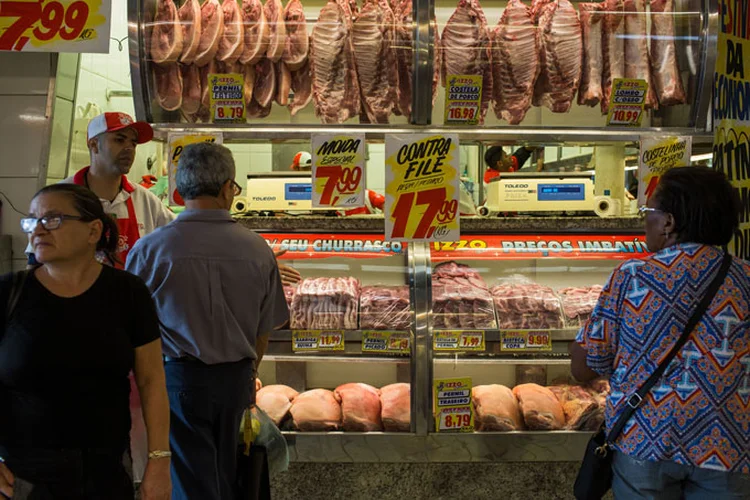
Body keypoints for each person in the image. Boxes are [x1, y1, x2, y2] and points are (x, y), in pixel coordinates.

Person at [570, 167, 750, 498]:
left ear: (668, 223)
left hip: (647, 439)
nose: (645, 221)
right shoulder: (746, 278)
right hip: (728, 444)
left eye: (648, 211)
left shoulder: (634, 276)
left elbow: (586, 366)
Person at [126, 143, 289, 500]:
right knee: (232, 477)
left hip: (177, 382)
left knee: (191, 482)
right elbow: (265, 329)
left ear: (179, 190)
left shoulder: (150, 250)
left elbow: (131, 329)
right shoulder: (258, 250)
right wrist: (249, 373)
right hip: (236, 380)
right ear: (229, 188)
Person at [0, 184, 171, 499]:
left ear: (93, 231)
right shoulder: (9, 292)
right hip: (21, 479)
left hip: (105, 474)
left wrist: (159, 463)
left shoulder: (128, 293)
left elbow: (151, 380)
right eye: (32, 220)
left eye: (52, 220)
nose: (37, 229)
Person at [28, 112, 177, 269]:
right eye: (119, 140)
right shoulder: (59, 197)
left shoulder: (146, 200)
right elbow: (35, 264)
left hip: (131, 293)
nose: (129, 148)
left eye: (133, 143)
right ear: (93, 145)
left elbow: (181, 236)